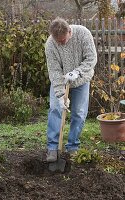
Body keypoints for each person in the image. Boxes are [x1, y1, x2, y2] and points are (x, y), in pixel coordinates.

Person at [45, 17, 97, 162]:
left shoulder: (83, 34)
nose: (60, 43)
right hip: (61, 82)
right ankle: (53, 148)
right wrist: (61, 95)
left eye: (63, 40)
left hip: (81, 80)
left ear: (70, 31)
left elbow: (91, 59)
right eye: (58, 41)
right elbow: (54, 72)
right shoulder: (50, 44)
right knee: (56, 109)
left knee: (79, 113)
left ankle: (72, 146)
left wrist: (78, 72)